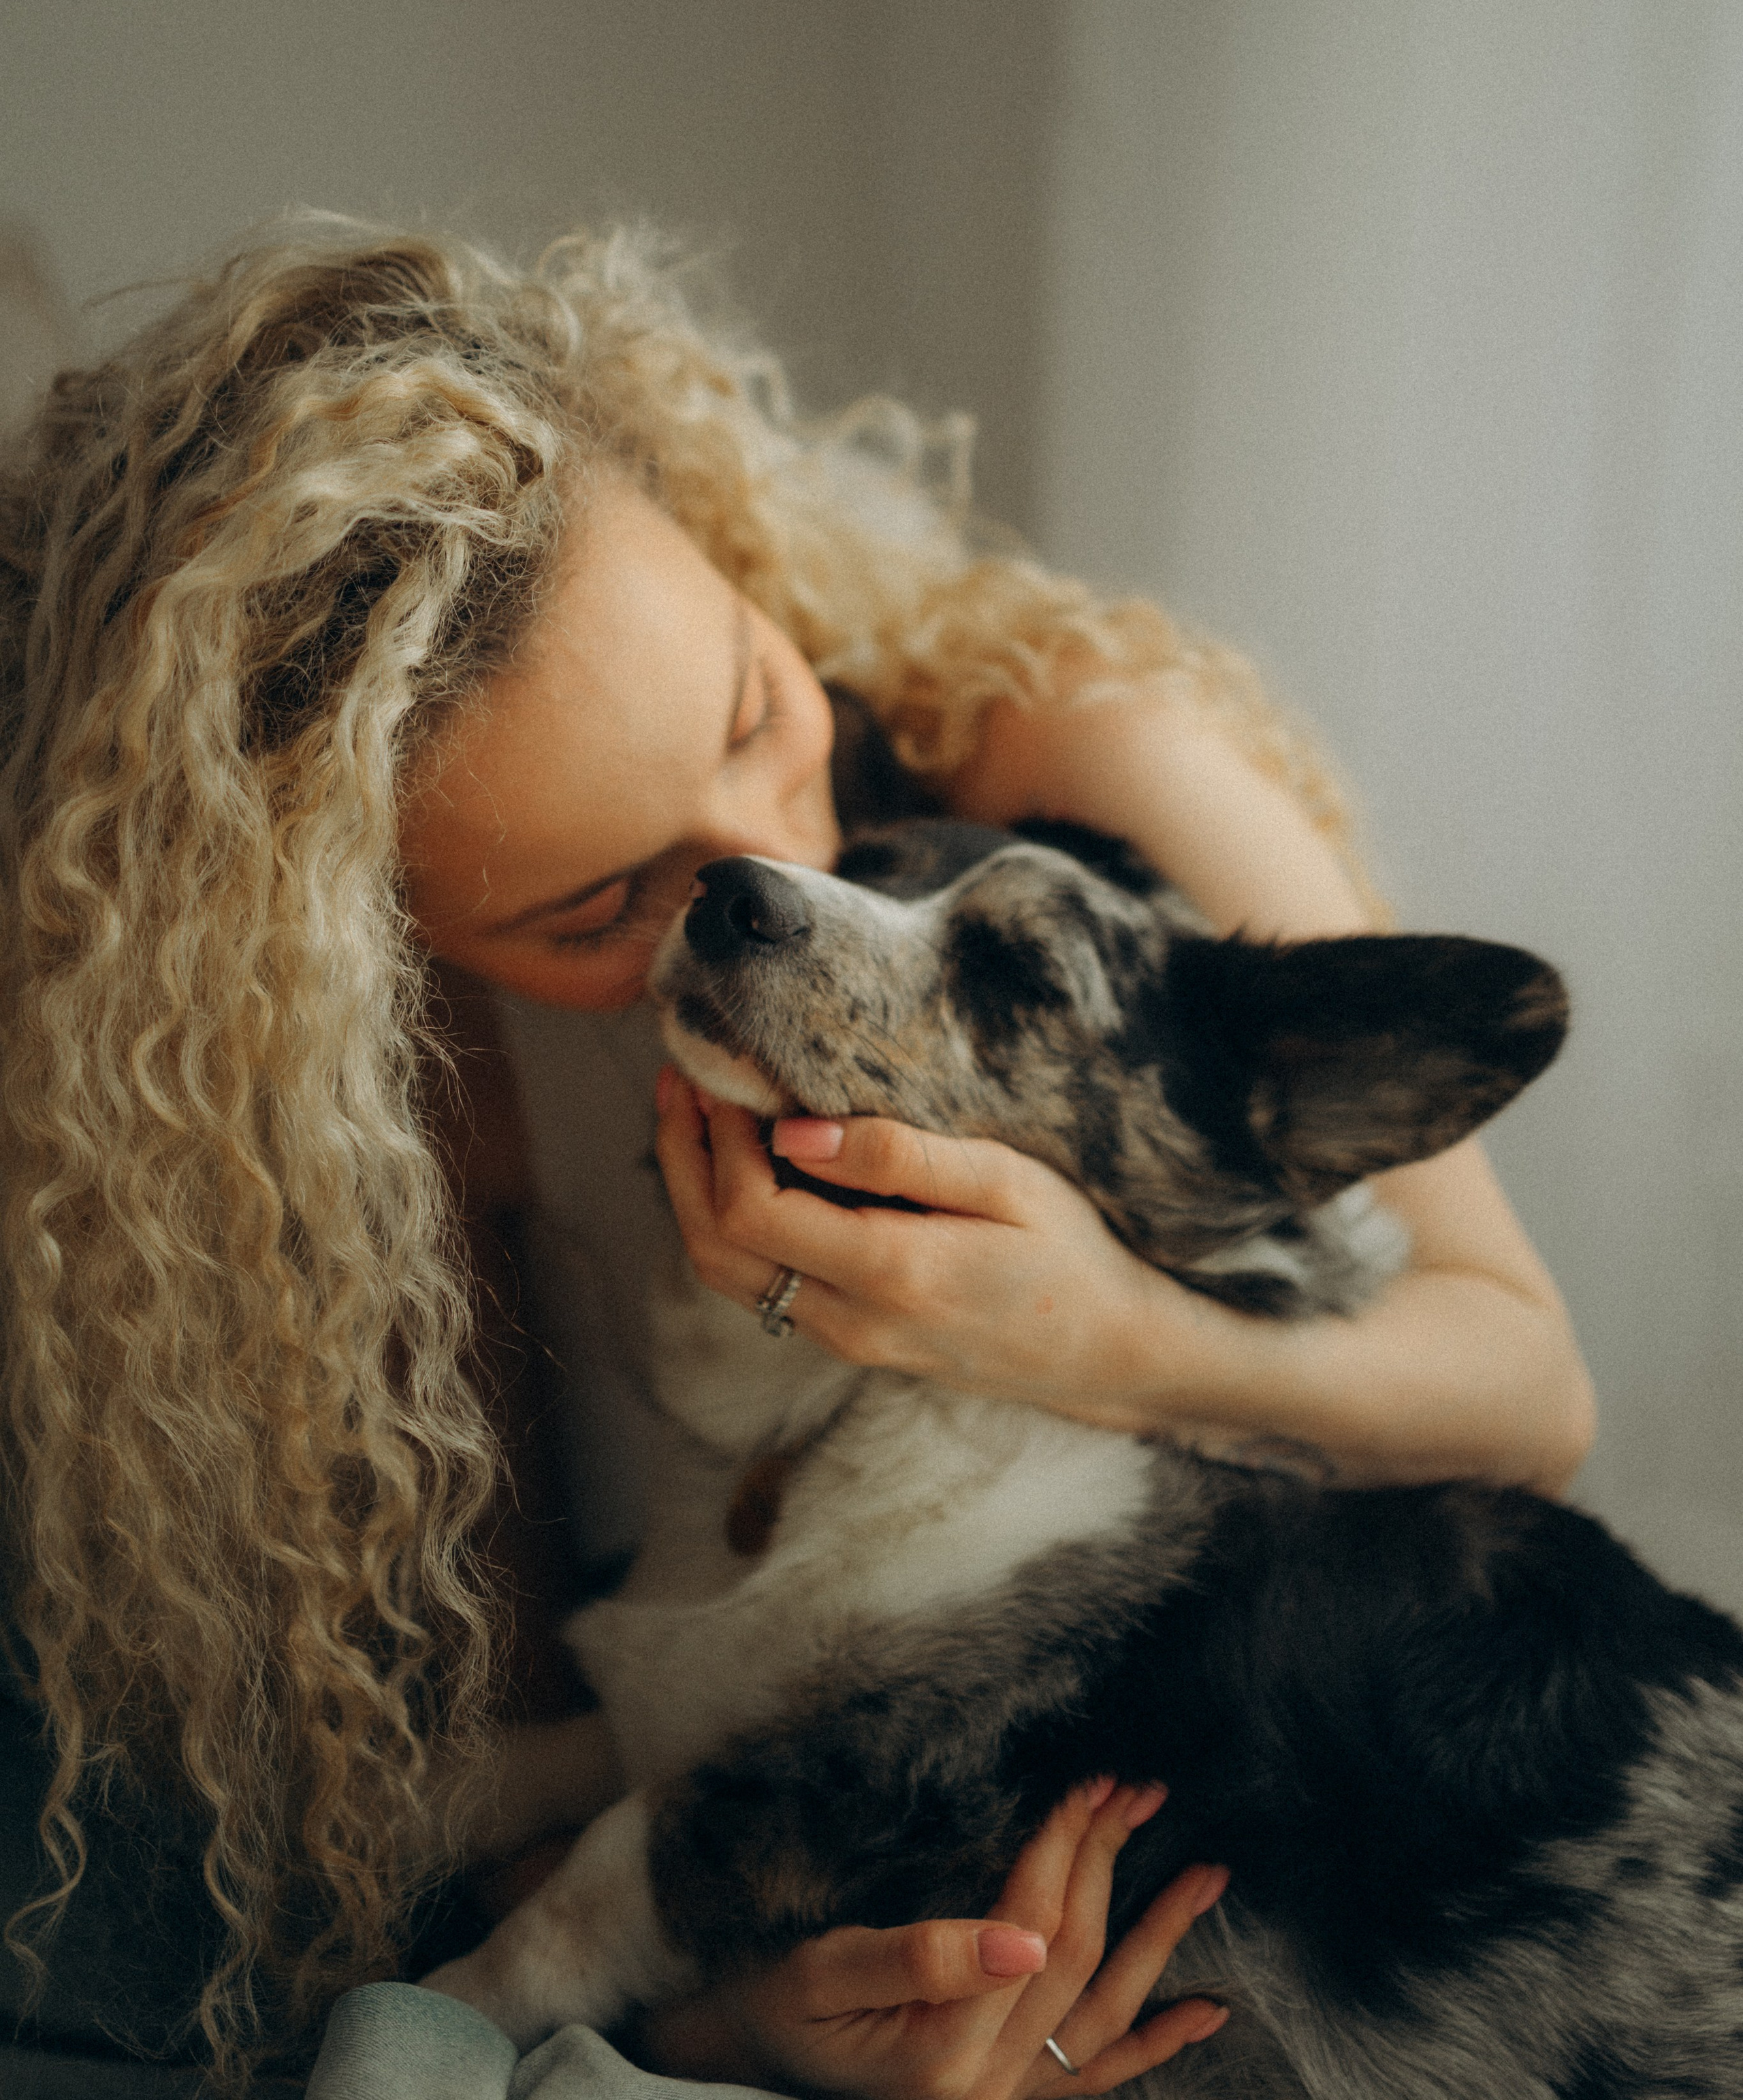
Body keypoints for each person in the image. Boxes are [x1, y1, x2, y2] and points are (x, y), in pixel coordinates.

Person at [0, 221, 1595, 2099]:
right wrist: (732, 2030)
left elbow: (1530, 1397)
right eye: (601, 899)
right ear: (368, 934)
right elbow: (535, 1717)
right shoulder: (393, 1089)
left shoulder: (1065, 756)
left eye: (756, 711)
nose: (767, 868)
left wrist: (1094, 1331)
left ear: (715, 534)